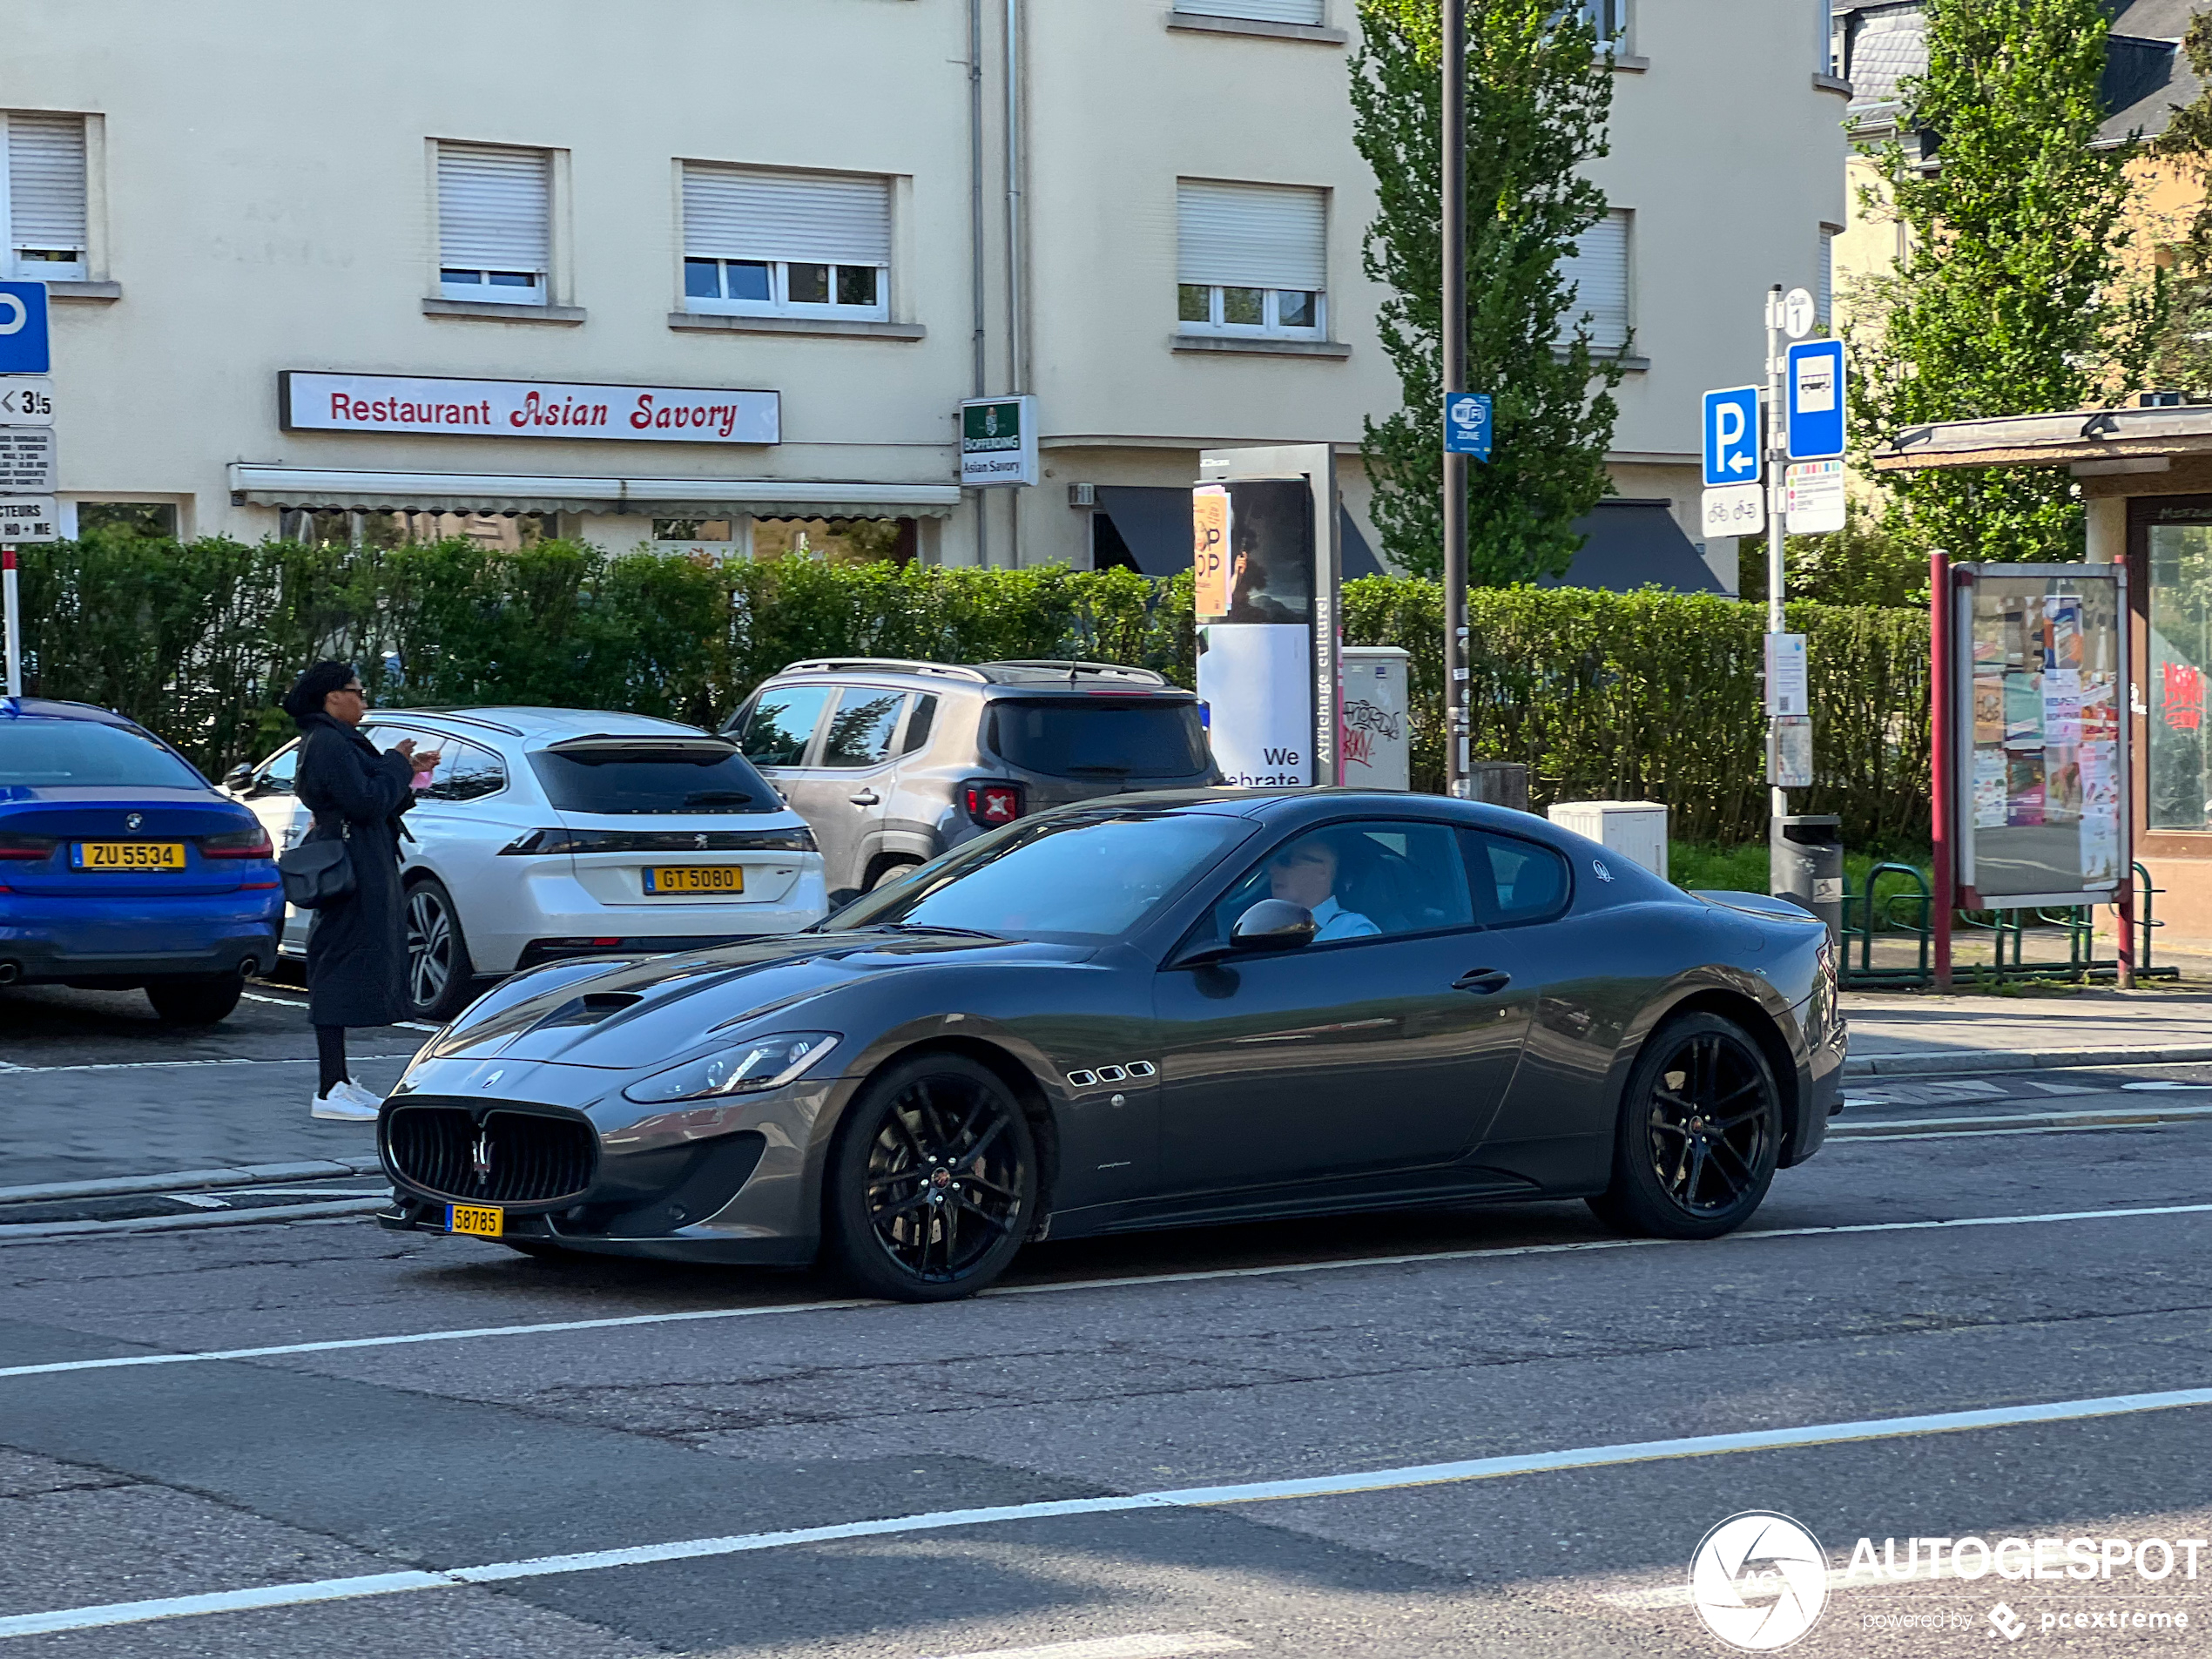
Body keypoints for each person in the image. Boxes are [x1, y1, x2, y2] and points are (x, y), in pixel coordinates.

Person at [280, 662, 438, 1121]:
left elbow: (376, 795)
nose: (364, 700)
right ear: (332, 697)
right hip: (350, 866)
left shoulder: (338, 740)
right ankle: (329, 1088)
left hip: (363, 859)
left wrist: (408, 773)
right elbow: (364, 802)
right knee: (337, 960)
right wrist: (395, 763)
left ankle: (340, 1081)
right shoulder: (328, 741)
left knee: (355, 956)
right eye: (357, 691)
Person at [1265, 834, 1379, 941]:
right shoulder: (1265, 922)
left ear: (1322, 871)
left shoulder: (1355, 932)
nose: (1272, 870)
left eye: (1285, 861)